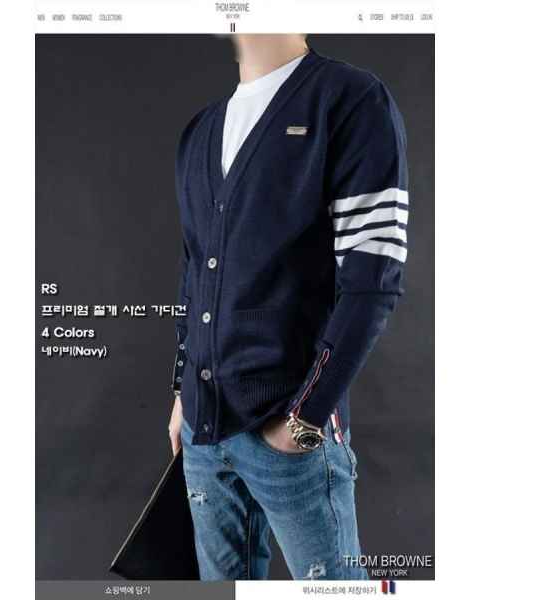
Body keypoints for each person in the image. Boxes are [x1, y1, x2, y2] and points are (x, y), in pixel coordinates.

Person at [168, 34, 408, 580]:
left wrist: (305, 418)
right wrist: (182, 390)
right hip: (204, 435)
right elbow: (194, 275)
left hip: (289, 433)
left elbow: (373, 280)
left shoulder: (350, 99)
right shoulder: (200, 131)